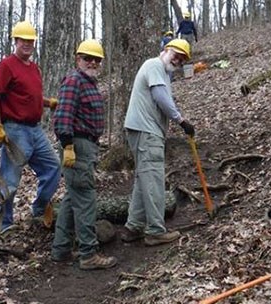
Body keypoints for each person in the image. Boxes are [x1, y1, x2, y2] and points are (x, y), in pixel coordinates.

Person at [0, 20, 61, 234]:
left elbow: (29, 96)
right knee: (9, 179)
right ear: (16, 41)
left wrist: (48, 103)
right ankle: (3, 225)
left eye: (30, 41)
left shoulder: (34, 68)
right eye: (23, 40)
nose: (27, 44)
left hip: (35, 130)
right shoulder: (7, 65)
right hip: (15, 130)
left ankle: (38, 209)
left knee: (53, 167)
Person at [121, 39, 195, 246]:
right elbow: (161, 98)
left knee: (144, 178)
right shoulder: (154, 65)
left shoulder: (162, 72)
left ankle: (133, 226)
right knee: (153, 178)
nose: (178, 60)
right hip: (146, 131)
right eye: (176, 55)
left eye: (182, 59)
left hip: (143, 130)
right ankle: (155, 230)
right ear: (165, 50)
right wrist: (181, 121)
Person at [51, 39, 117, 270]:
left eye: (96, 59)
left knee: (72, 197)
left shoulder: (89, 82)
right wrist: (68, 146)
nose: (92, 62)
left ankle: (60, 249)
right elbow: (62, 116)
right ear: (78, 58)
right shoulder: (74, 81)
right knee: (86, 198)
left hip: (87, 145)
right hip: (77, 146)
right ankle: (88, 254)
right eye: (87, 58)